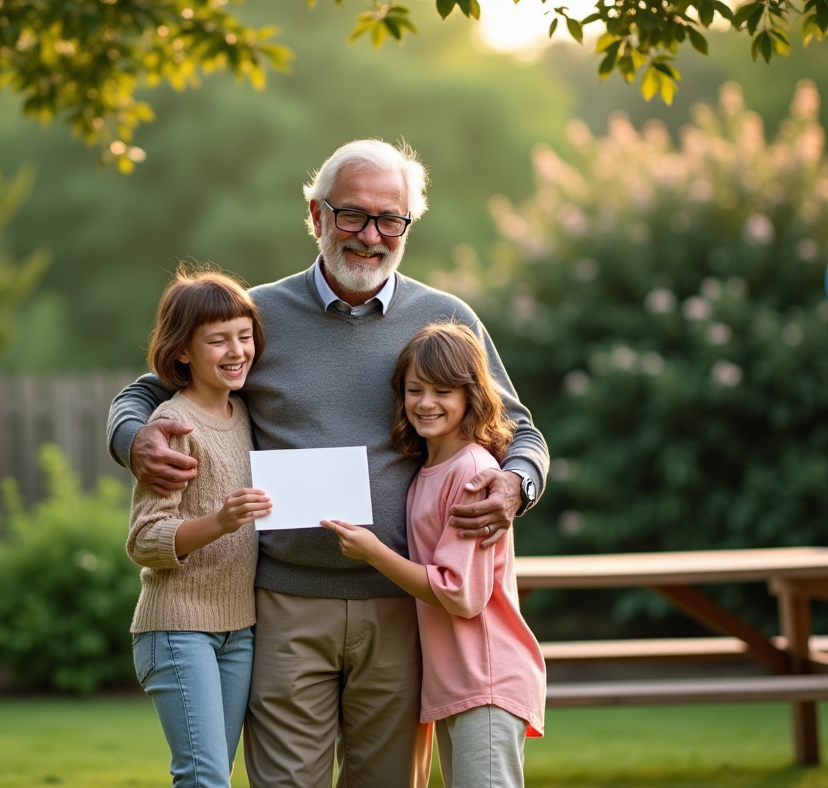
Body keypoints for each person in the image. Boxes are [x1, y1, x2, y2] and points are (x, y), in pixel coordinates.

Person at [107, 139, 549, 788]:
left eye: (390, 220)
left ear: (407, 227)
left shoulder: (446, 319)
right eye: (353, 215)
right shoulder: (257, 314)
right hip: (285, 600)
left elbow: (520, 429)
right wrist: (132, 436)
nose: (371, 236)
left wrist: (518, 483)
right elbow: (147, 388)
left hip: (401, 604)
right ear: (315, 213)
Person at [322, 321, 546, 788]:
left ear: (471, 397)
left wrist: (374, 552)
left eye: (443, 391)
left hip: (485, 678)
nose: (426, 403)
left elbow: (459, 593)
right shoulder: (429, 469)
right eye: (415, 390)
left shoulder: (473, 473)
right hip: (455, 681)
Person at [125, 267, 272, 788]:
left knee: (214, 776)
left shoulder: (246, 415)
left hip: (239, 628)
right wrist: (221, 521)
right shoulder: (174, 425)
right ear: (182, 351)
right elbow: (145, 539)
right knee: (203, 777)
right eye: (217, 340)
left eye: (244, 335)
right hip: (178, 628)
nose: (236, 350)